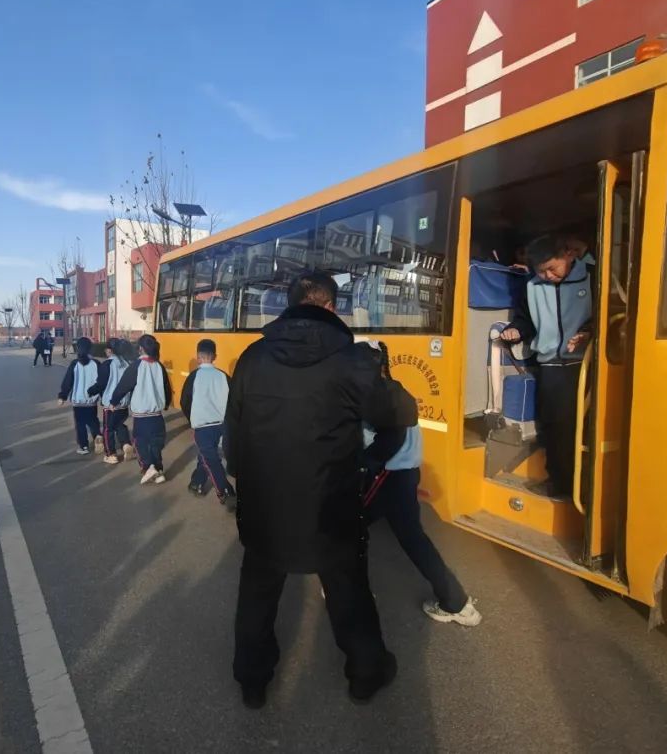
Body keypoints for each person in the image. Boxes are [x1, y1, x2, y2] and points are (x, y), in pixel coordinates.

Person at [224, 272, 418, 709]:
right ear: (330, 307)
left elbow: (233, 433)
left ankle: (253, 682)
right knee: (348, 592)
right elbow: (402, 412)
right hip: (331, 506)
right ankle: (365, 674)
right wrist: (382, 374)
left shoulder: (253, 358)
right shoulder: (351, 360)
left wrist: (241, 478)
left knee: (256, 596)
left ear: (289, 306)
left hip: (265, 508)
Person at [362, 342, 480, 626]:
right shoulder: (395, 389)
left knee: (344, 527)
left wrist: (360, 462)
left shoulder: (377, 399)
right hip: (404, 474)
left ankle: (350, 594)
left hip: (387, 476)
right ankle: (456, 602)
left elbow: (387, 443)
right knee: (413, 539)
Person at [499, 234, 593, 497]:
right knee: (552, 425)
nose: (547, 276)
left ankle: (580, 486)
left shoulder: (592, 275)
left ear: (568, 254)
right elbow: (525, 320)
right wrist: (515, 331)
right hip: (550, 364)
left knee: (579, 426)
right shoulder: (532, 286)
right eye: (541, 272)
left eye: (552, 268)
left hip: (582, 362)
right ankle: (560, 483)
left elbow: (608, 311)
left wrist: (588, 331)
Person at [180, 338, 237, 511]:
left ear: (198, 357)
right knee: (207, 455)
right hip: (221, 424)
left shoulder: (194, 376)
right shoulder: (223, 376)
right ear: (215, 356)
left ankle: (226, 492)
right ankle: (196, 483)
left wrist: (192, 419)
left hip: (202, 426)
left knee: (210, 458)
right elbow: (233, 401)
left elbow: (185, 401)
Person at [110, 334, 172, 484]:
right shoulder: (159, 366)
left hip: (142, 415)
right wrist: (166, 403)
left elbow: (124, 385)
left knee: (140, 443)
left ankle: (148, 467)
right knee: (156, 444)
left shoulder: (137, 366)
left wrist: (114, 401)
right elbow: (167, 388)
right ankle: (158, 470)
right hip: (157, 415)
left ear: (141, 349)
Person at [89, 338, 133, 464]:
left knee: (108, 429)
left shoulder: (107, 364)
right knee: (120, 425)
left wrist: (91, 391)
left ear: (109, 350)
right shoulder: (127, 364)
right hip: (124, 403)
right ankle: (125, 444)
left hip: (110, 404)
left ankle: (111, 454)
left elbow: (101, 384)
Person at [58, 336, 103, 455]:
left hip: (78, 401)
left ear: (78, 348)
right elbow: (102, 381)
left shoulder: (74, 364)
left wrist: (62, 396)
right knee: (93, 421)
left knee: (80, 424)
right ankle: (98, 435)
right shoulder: (96, 363)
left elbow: (68, 381)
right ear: (90, 349)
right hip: (91, 400)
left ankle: (83, 446)